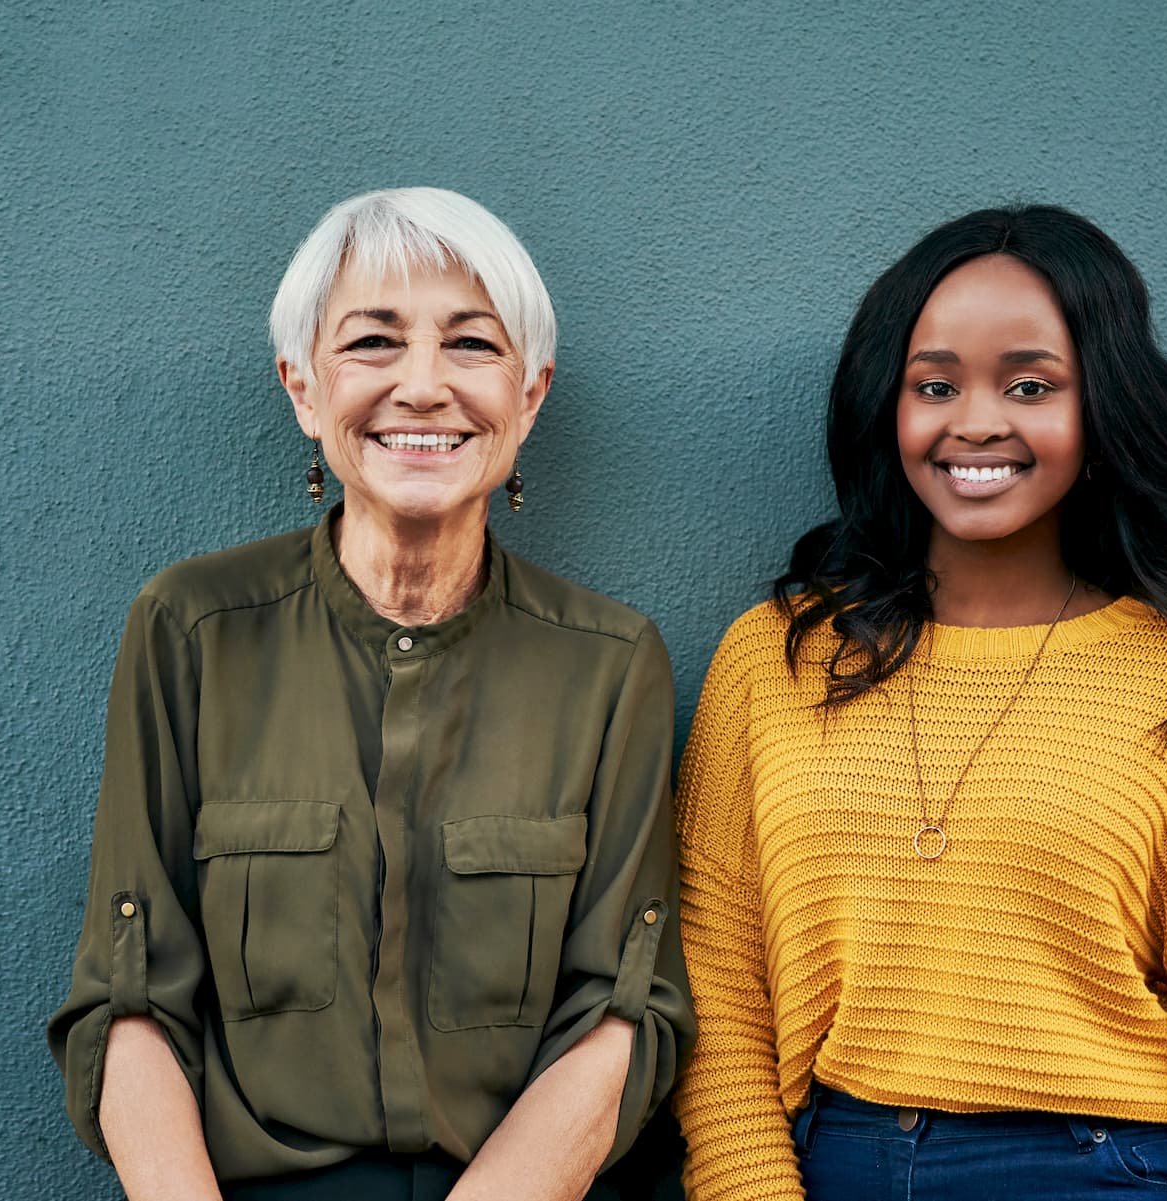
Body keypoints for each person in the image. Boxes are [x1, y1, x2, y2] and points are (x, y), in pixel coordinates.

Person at [673, 205, 1167, 1200]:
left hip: (1109, 1171)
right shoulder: (772, 661)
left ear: (1100, 408)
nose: (976, 420)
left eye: (1030, 385)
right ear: (886, 407)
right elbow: (718, 991)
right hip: (841, 1160)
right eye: (934, 385)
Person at [48, 186, 694, 1201]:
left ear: (530, 397)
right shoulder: (192, 630)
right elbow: (131, 996)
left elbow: (620, 1014)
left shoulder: (610, 664)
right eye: (373, 344)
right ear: (303, 387)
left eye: (474, 345)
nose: (425, 387)